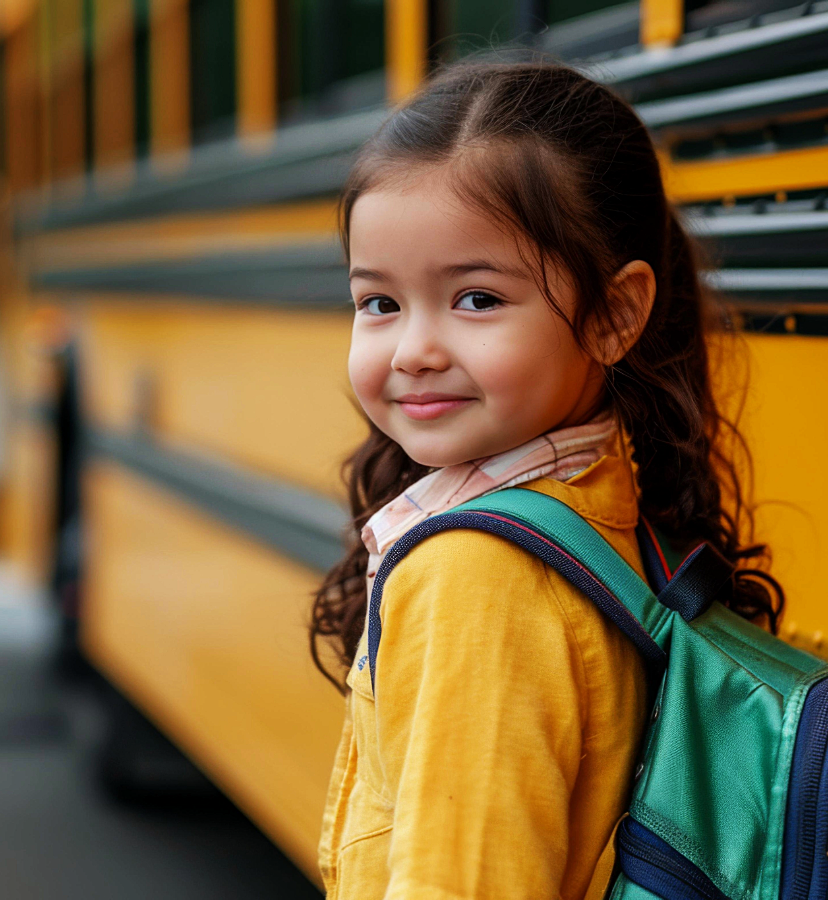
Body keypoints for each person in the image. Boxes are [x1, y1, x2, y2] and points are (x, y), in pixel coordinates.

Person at [309, 61, 783, 900]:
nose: (414, 348)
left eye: (478, 299)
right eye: (378, 302)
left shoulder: (479, 577)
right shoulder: (602, 510)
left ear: (614, 315)